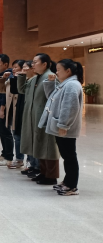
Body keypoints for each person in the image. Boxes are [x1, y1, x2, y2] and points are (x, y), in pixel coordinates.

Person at [39, 59, 84, 196]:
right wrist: (51, 83)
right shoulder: (66, 84)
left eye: (58, 70)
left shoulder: (71, 85)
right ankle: (67, 181)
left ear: (68, 71)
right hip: (62, 126)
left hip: (66, 127)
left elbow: (69, 107)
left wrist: (64, 125)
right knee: (66, 155)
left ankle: (72, 186)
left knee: (69, 156)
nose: (56, 72)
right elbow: (52, 98)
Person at [18, 53, 60, 186]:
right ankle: (43, 172)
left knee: (49, 147)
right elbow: (22, 90)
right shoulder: (35, 78)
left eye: (35, 62)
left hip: (46, 117)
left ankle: (51, 176)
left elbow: (55, 98)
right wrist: (22, 76)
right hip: (34, 117)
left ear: (44, 64)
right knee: (39, 145)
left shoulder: (51, 77)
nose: (32, 65)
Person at [0, 60, 26, 169]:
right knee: (15, 135)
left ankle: (20, 159)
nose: (13, 69)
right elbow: (0, 90)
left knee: (18, 136)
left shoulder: (25, 80)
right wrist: (3, 78)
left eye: (16, 67)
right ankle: (17, 159)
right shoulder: (11, 79)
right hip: (11, 111)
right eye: (13, 67)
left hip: (21, 111)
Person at [17, 61, 40, 177]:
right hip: (26, 112)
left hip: (34, 114)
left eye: (26, 67)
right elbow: (21, 90)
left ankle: (37, 166)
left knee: (34, 141)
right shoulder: (30, 80)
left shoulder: (38, 80)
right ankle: (32, 165)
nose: (23, 69)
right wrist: (21, 77)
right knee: (28, 140)